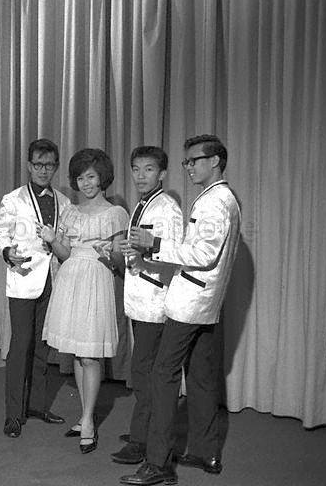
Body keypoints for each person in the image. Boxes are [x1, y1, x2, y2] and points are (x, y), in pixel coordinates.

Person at [120, 135, 241, 485]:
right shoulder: (223, 198)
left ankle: (158, 464)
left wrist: (154, 243)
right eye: (186, 162)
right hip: (207, 303)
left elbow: (204, 256)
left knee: (162, 376)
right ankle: (207, 452)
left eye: (194, 161)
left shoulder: (214, 202)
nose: (188, 167)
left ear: (215, 160)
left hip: (189, 303)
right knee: (201, 379)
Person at [39, 148, 129, 454]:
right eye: (80, 177)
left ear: (102, 177)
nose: (86, 183)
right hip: (70, 280)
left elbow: (120, 260)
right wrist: (53, 241)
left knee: (91, 355)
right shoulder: (70, 212)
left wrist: (110, 253)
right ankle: (85, 415)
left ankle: (88, 420)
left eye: (91, 176)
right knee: (78, 354)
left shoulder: (116, 213)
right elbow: (65, 255)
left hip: (96, 279)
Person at [0, 138, 71, 438]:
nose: (43, 170)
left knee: (43, 347)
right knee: (20, 347)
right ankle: (13, 415)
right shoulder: (13, 199)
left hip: (54, 279)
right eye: (38, 164)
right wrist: (6, 252)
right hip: (24, 278)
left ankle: (37, 405)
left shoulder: (63, 201)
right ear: (29, 165)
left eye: (49, 165)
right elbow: (0, 235)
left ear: (55, 167)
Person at [110, 146, 183, 465]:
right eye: (136, 169)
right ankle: (146, 430)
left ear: (163, 174)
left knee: (145, 372)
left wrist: (146, 248)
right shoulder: (143, 204)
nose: (141, 176)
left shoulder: (168, 207)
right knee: (143, 371)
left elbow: (177, 252)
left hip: (155, 303)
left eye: (149, 169)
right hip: (139, 301)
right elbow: (142, 250)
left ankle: (142, 440)